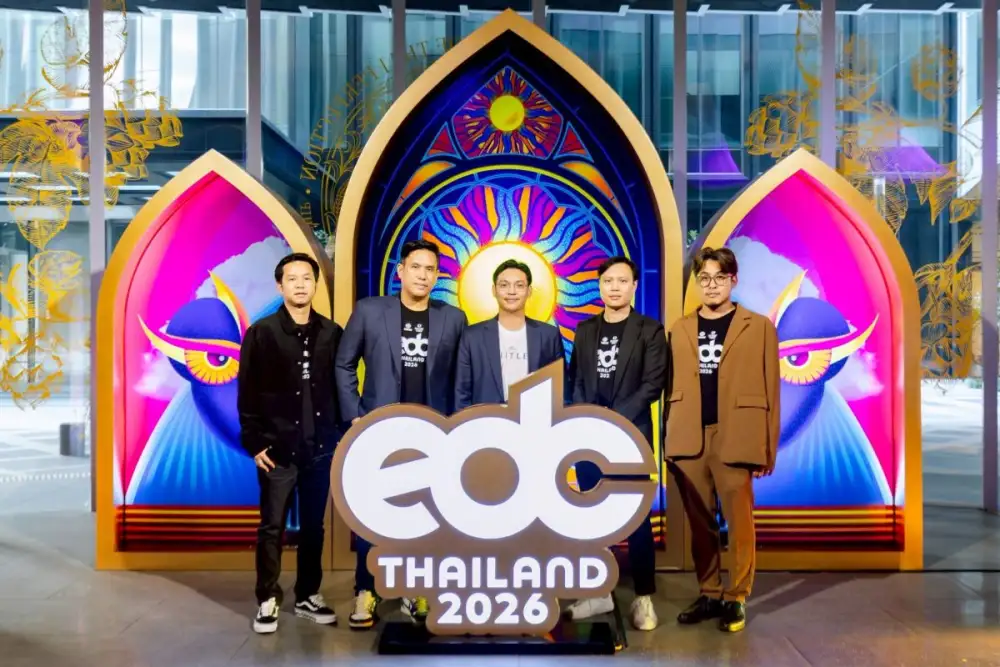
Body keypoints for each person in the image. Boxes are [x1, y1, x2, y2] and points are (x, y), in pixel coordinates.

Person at [335, 238, 467, 630]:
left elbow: (461, 377)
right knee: (372, 513)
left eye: (430, 270)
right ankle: (366, 589)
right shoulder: (370, 311)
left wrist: (457, 425)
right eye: (416, 267)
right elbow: (344, 364)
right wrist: (355, 416)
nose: (423, 275)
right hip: (379, 430)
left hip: (433, 433)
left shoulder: (453, 318)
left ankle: (415, 588)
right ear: (401, 270)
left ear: (437, 276)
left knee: (424, 515)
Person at [664, 246, 779, 633]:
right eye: (704, 279)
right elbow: (670, 387)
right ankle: (710, 592)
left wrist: (767, 448)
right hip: (689, 436)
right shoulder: (680, 328)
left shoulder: (758, 327)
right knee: (700, 524)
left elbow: (771, 390)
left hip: (737, 434)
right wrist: (669, 440)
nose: (711, 285)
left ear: (733, 280)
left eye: (719, 278)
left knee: (740, 523)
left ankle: (737, 597)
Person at [238, 252, 343, 635]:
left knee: (314, 527)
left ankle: (307, 595)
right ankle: (267, 597)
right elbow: (247, 392)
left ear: (316, 284)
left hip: (320, 448)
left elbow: (340, 388)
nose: (300, 284)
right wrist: (255, 443)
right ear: (280, 285)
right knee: (272, 527)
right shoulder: (262, 333)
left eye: (306, 278)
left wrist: (338, 438)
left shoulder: (332, 333)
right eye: (292, 278)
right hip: (277, 450)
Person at [564, 256, 666, 631]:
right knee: (592, 516)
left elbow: (652, 384)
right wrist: (586, 416)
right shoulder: (585, 329)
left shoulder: (650, 331)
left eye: (622, 281)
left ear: (634, 286)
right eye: (608, 281)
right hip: (589, 437)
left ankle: (643, 596)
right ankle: (598, 592)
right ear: (600, 286)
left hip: (631, 436)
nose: (614, 287)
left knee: (636, 519)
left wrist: (613, 422)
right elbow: (575, 379)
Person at [455, 258, 564, 409]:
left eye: (519, 285)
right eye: (504, 285)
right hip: (484, 420)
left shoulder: (548, 335)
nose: (511, 291)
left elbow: (561, 390)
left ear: (529, 291)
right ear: (494, 290)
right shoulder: (472, 336)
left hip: (534, 420)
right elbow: (461, 394)